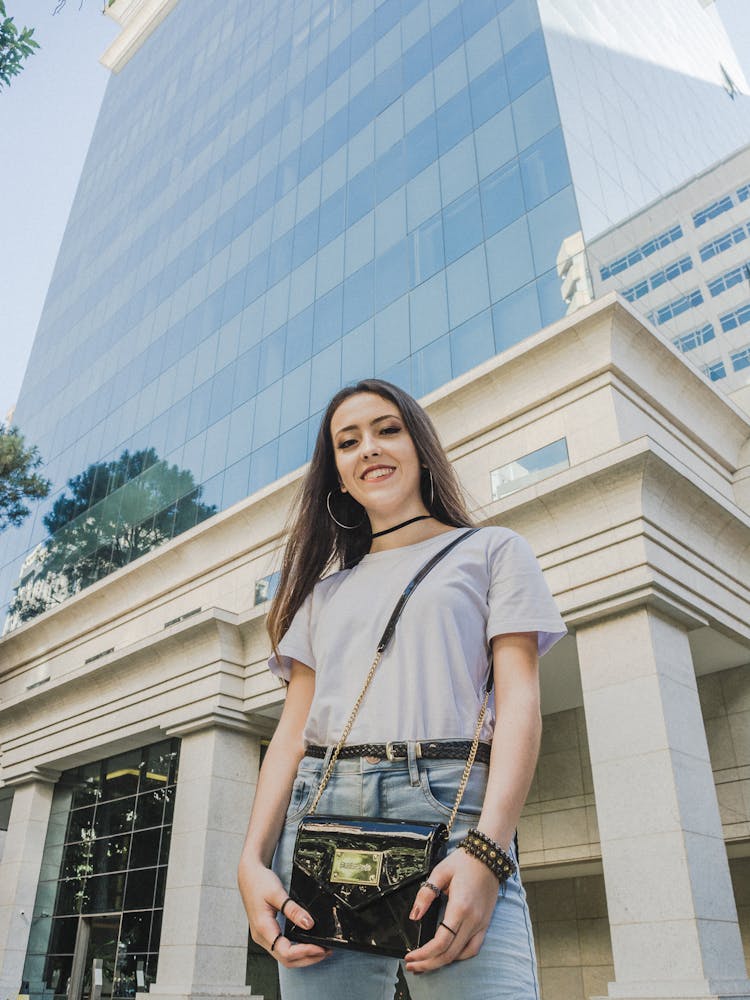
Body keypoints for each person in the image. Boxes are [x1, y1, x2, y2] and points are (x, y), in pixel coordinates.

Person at [238, 378, 566, 999]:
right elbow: (292, 734)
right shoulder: (319, 594)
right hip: (321, 817)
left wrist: (489, 851)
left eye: (387, 429)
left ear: (419, 446)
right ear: (336, 473)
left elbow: (521, 706)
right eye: (348, 441)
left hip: (452, 808)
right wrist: (250, 861)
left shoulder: (492, 551)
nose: (369, 448)